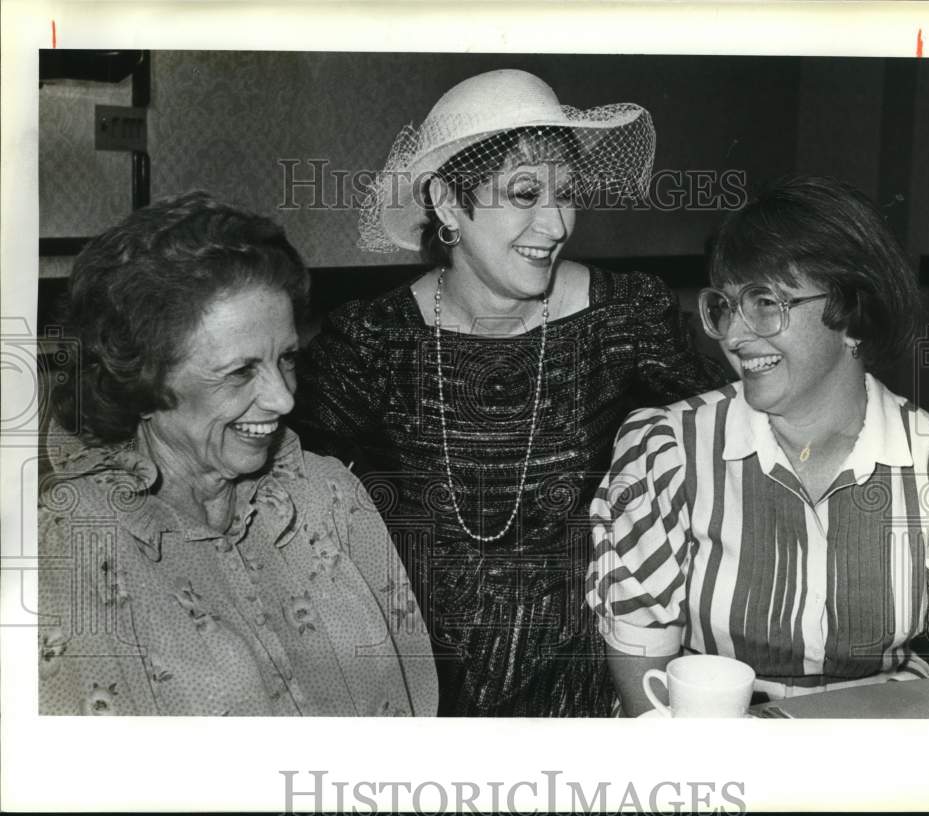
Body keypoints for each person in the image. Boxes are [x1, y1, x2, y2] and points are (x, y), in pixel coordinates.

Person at [292, 69, 729, 716]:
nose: (555, 224)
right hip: (423, 701)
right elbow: (288, 488)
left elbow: (730, 448)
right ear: (446, 203)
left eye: (565, 193)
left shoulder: (624, 319)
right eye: (524, 193)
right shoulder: (371, 342)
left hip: (589, 696)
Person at [38, 192, 437, 716]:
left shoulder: (331, 495)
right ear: (143, 379)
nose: (283, 398)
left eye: (286, 358)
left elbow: (419, 709)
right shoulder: (69, 549)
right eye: (240, 371)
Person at [588, 176, 929, 716]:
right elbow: (645, 682)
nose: (733, 336)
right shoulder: (668, 451)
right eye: (724, 306)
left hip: (881, 743)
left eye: (764, 302)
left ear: (851, 315)